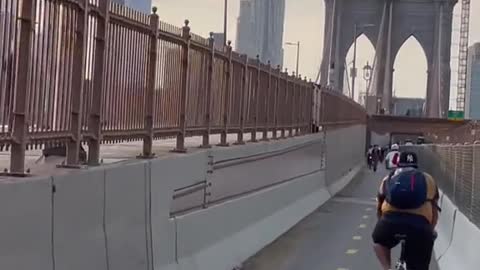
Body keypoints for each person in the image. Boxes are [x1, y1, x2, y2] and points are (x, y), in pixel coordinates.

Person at [372, 152, 440, 270]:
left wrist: (381, 222)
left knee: (378, 241)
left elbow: (379, 205)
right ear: (416, 165)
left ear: (398, 164)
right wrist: (431, 229)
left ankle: (387, 268)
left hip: (390, 221)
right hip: (419, 225)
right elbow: (434, 210)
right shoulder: (428, 179)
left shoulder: (388, 178)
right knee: (419, 264)